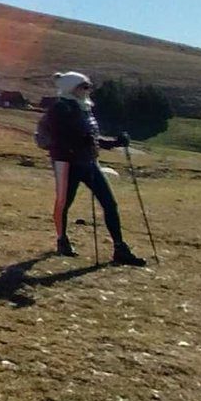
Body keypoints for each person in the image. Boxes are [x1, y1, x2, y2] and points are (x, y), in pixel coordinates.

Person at [45, 71, 146, 267]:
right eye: (84, 86)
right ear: (71, 88)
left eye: (88, 86)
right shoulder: (60, 108)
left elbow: (91, 138)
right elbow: (59, 136)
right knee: (64, 203)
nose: (88, 90)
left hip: (89, 162)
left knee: (110, 203)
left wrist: (114, 143)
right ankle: (62, 240)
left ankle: (119, 248)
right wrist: (78, 142)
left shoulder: (85, 108)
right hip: (67, 163)